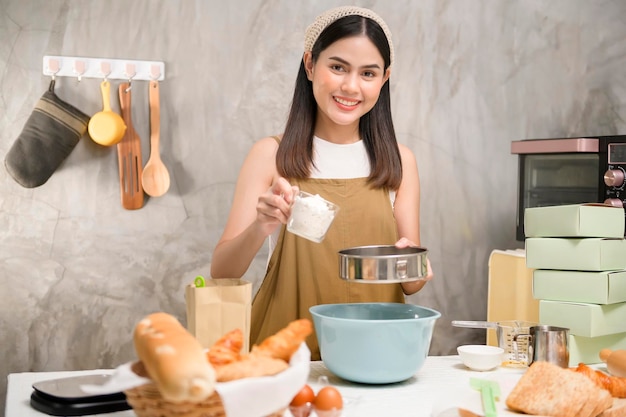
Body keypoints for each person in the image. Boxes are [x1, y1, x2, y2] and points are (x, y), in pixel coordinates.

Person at [211, 5, 434, 360]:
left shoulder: (400, 161)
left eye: (368, 73)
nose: (351, 86)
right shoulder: (270, 154)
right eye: (338, 67)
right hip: (285, 356)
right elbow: (222, 271)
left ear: (385, 78)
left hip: (376, 353)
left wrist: (414, 263)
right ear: (310, 64)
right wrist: (260, 226)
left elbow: (410, 284)